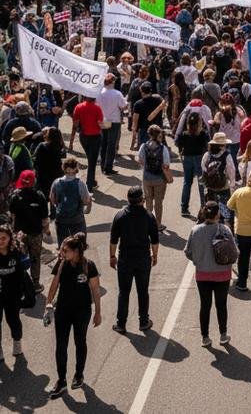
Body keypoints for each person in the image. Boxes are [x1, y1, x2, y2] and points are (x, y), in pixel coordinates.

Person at [44, 233, 101, 399]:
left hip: (82, 311)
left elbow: (96, 290)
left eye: (65, 250)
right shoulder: (61, 264)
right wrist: (48, 305)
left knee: (80, 342)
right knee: (61, 345)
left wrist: (98, 312)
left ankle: (79, 375)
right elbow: (54, 285)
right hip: (62, 311)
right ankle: (61, 380)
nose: (62, 252)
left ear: (76, 251)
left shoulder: (88, 266)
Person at [184, 200, 235, 347]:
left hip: (203, 274)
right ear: (218, 213)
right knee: (221, 305)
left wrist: (198, 261)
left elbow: (188, 252)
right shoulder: (225, 230)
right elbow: (234, 252)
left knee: (205, 305)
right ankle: (223, 334)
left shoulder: (195, 230)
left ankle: (205, 337)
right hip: (223, 274)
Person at [109, 186, 159, 334]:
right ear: (142, 200)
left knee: (124, 292)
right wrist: (154, 256)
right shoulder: (149, 217)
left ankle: (121, 323)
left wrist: (112, 257)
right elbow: (155, 241)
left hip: (125, 260)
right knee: (143, 291)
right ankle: (143, 321)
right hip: (143, 259)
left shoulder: (120, 216)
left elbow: (113, 240)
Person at [9, 169, 49, 290]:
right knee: (35, 259)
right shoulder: (40, 196)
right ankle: (35, 285)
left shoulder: (15, 196)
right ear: (33, 180)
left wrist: (12, 233)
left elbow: (12, 217)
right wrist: (46, 230)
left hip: (20, 234)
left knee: (20, 260)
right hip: (36, 234)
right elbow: (45, 219)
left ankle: (21, 285)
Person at [0, 224, 28, 361]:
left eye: (3, 238)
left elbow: (24, 269)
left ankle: (17, 342)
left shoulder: (16, 252)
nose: (0, 241)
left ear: (10, 238)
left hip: (13, 293)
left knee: (13, 320)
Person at [49, 157, 91, 245]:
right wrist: (87, 207)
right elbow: (86, 200)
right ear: (76, 168)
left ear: (64, 168)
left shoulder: (56, 182)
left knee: (63, 244)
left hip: (61, 218)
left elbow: (52, 199)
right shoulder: (80, 184)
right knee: (78, 244)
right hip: (77, 219)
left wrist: (58, 205)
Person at [137, 124, 172, 228]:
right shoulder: (163, 148)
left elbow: (140, 160)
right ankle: (158, 224)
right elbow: (166, 164)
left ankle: (148, 223)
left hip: (147, 178)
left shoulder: (144, 146)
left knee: (148, 202)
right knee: (158, 203)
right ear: (159, 135)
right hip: (159, 179)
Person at [176, 108, 209, 217]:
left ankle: (184, 207)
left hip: (187, 158)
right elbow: (207, 145)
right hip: (200, 158)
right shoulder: (203, 134)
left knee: (187, 182)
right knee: (201, 183)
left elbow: (178, 143)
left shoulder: (185, 134)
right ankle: (204, 207)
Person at [68, 92, 104, 191]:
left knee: (90, 159)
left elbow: (75, 124)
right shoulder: (97, 108)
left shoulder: (78, 107)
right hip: (95, 137)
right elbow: (100, 124)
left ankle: (92, 181)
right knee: (92, 161)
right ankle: (89, 184)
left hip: (84, 137)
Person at [98, 71, 128, 175]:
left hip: (103, 119)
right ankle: (108, 167)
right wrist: (126, 100)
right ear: (112, 82)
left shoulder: (99, 92)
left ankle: (103, 165)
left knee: (103, 143)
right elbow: (124, 106)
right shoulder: (117, 93)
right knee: (111, 145)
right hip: (114, 121)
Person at [201, 132, 236, 210]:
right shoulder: (227, 155)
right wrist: (232, 184)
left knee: (211, 209)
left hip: (210, 186)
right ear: (221, 146)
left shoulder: (207, 155)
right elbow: (231, 171)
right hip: (223, 186)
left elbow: (203, 168)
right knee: (224, 210)